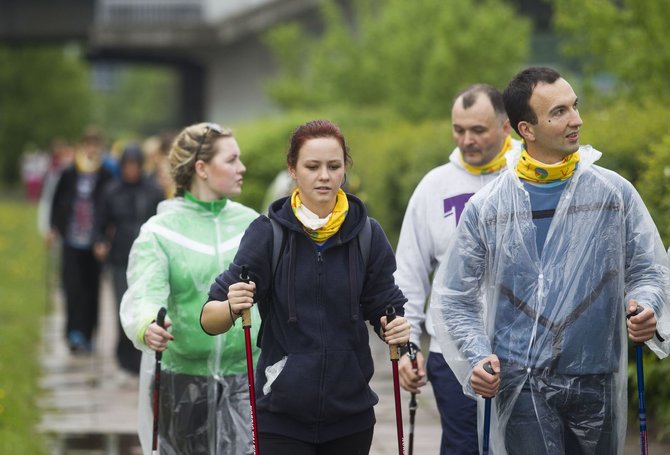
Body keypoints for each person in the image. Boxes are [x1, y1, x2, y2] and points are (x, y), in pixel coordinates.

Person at [430, 67, 670, 454]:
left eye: (574, 106)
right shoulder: (488, 208)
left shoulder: (613, 194)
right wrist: (476, 356)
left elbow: (649, 269)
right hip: (520, 383)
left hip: (598, 378)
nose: (576, 119)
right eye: (558, 112)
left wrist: (646, 305)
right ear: (526, 129)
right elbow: (455, 298)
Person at [201, 119, 410, 454]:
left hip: (351, 416)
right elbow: (209, 318)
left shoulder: (368, 235)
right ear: (293, 171)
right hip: (281, 419)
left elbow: (387, 311)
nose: (324, 176)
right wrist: (230, 306)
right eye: (312, 166)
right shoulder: (267, 234)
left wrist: (396, 327)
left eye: (333, 166)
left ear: (345, 169)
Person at [394, 83, 521, 454]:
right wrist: (408, 346)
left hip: (523, 353)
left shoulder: (530, 177)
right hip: (453, 358)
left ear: (506, 127)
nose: (467, 140)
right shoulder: (434, 187)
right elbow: (409, 275)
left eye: (478, 130)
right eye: (459, 129)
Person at [119, 123, 260, 454]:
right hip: (182, 381)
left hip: (246, 377)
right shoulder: (159, 232)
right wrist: (147, 325)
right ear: (202, 168)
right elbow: (144, 292)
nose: (242, 168)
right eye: (232, 160)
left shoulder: (253, 225)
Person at [94, 143, 164, 377]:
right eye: (128, 166)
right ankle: (124, 359)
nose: (131, 170)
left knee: (146, 307)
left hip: (149, 259)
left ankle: (142, 359)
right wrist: (100, 241)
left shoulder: (153, 190)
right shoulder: (112, 191)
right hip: (120, 258)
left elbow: (163, 221)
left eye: (135, 165)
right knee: (123, 306)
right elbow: (101, 222)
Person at [49, 128, 115, 353]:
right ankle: (73, 333)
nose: (91, 149)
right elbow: (56, 201)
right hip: (71, 239)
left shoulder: (106, 174)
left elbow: (109, 208)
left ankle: (88, 335)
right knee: (72, 288)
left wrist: (107, 235)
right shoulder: (69, 172)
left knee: (91, 290)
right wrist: (53, 227)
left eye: (96, 145)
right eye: (88, 144)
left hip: (94, 243)